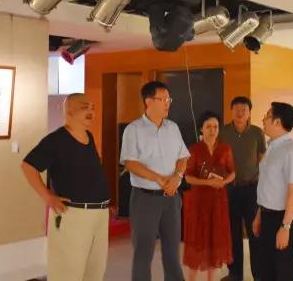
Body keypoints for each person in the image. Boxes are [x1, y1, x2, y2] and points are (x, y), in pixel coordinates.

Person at [21, 93, 110, 281]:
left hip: (100, 214)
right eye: (85, 107)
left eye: (93, 108)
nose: (91, 112)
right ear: (69, 111)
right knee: (67, 272)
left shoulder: (89, 137)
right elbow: (28, 166)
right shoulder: (56, 140)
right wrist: (47, 196)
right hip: (73, 214)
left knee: (94, 271)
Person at [119, 81, 190, 281]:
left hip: (171, 198)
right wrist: (159, 179)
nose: (168, 103)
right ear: (148, 101)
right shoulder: (133, 129)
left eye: (169, 99)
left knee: (172, 252)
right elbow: (131, 163)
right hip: (145, 199)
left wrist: (177, 177)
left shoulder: (173, 128)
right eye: (163, 99)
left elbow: (183, 157)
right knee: (143, 252)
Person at [253, 102, 293, 281]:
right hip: (267, 216)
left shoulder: (292, 151)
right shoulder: (272, 147)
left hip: (283, 218)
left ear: (277, 122)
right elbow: (267, 185)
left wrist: (285, 227)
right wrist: (259, 214)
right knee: (267, 270)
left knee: (284, 271)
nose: (263, 119)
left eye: (267, 116)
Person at [183, 111, 236, 281]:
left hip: (219, 201)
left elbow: (233, 172)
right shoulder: (194, 149)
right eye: (208, 127)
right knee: (197, 242)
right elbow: (188, 177)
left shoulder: (225, 148)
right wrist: (207, 183)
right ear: (201, 129)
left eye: (215, 127)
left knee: (216, 242)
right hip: (199, 202)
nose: (212, 130)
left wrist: (224, 182)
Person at [219, 96, 266, 281]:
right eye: (237, 109)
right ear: (231, 111)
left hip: (251, 189)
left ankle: (259, 275)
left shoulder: (257, 133)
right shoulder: (223, 132)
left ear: (249, 113)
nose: (240, 113)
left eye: (244, 110)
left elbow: (262, 160)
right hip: (229, 189)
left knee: (255, 232)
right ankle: (235, 274)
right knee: (232, 233)